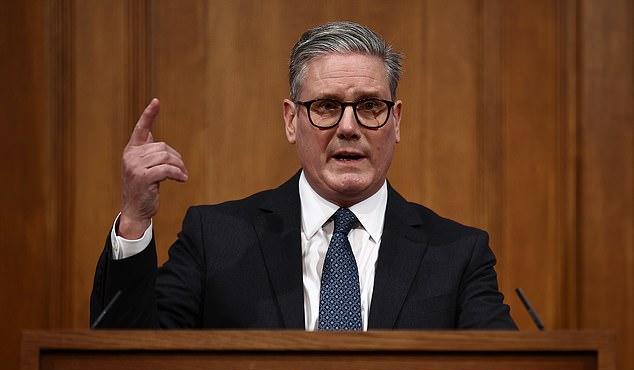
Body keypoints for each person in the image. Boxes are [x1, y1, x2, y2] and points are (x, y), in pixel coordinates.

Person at [91, 21, 516, 330]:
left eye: (370, 106)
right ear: (291, 120)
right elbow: (128, 365)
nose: (348, 127)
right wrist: (134, 220)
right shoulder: (217, 240)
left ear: (397, 120)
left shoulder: (459, 255)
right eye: (327, 106)